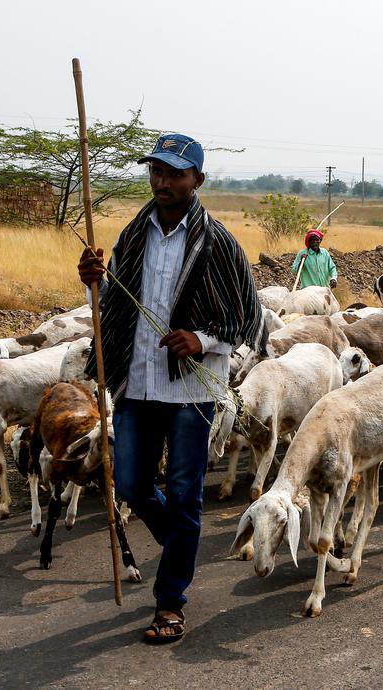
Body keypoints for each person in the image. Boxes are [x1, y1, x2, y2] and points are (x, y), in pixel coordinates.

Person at [77, 133, 260, 644]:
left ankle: (170, 602)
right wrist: (94, 279)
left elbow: (247, 316)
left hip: (189, 392)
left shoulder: (218, 242)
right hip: (137, 383)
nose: (162, 181)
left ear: (197, 180)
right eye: (156, 171)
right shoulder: (135, 234)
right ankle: (182, 546)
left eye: (175, 173)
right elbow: (116, 300)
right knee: (132, 486)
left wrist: (200, 340)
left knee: (184, 497)